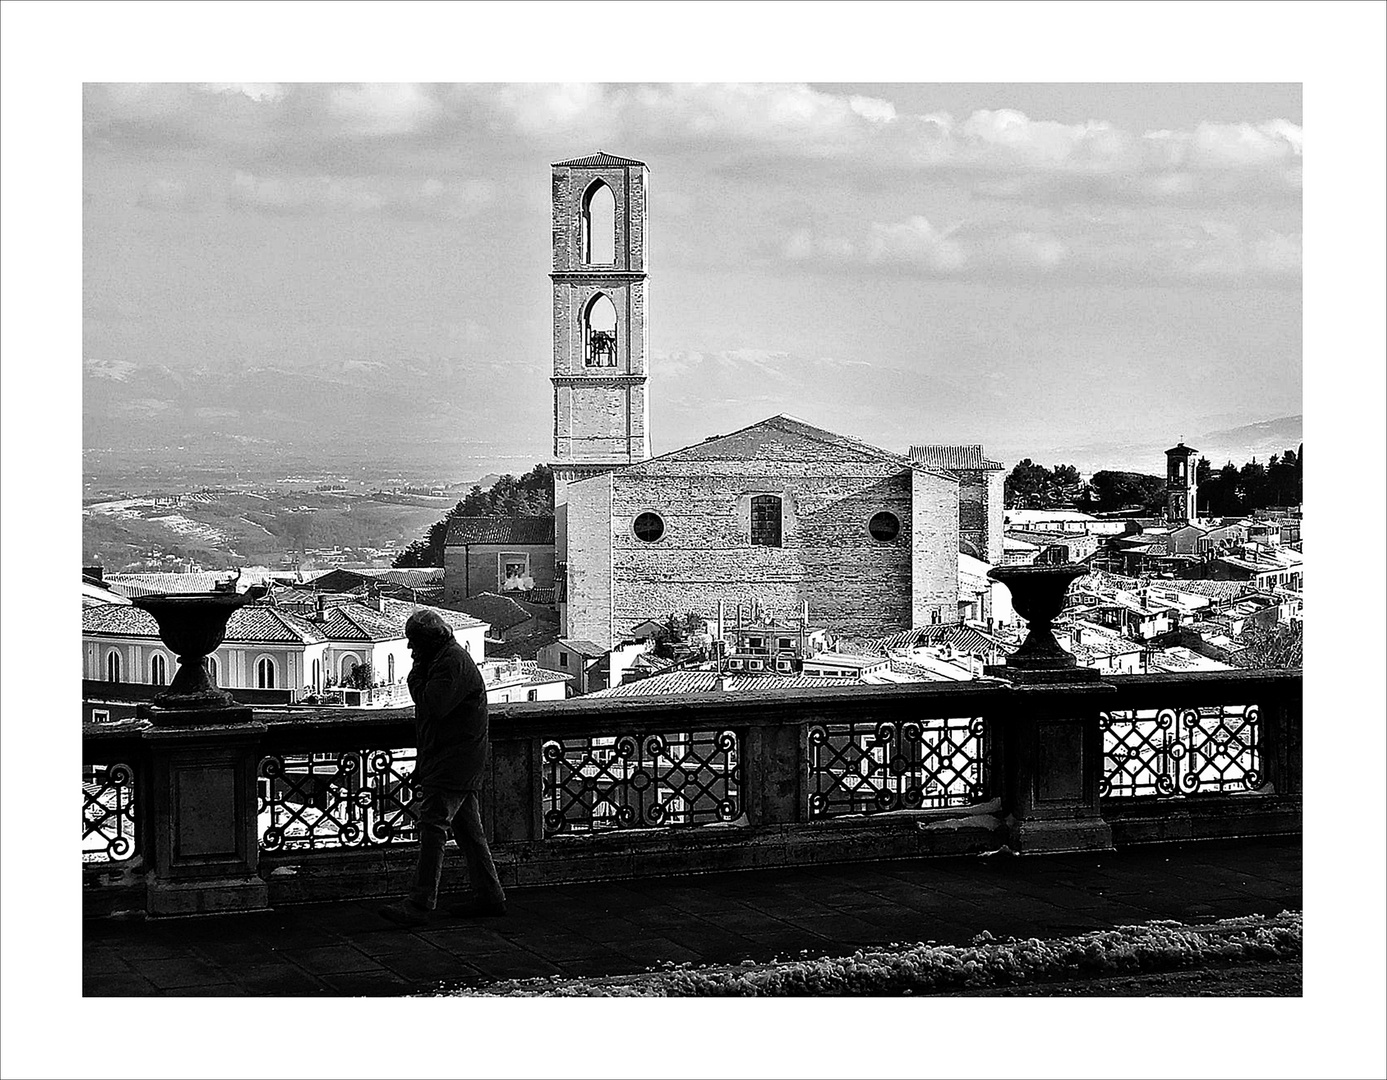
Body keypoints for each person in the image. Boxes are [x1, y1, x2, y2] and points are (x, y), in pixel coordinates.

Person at [378, 609, 507, 927]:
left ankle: (421, 903)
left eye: (414, 643)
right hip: (453, 757)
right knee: (468, 831)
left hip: (454, 760)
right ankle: (490, 896)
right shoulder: (446, 658)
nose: (410, 650)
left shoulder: (449, 662)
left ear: (428, 641)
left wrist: (414, 676)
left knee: (433, 827)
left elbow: (433, 706)